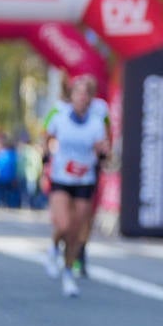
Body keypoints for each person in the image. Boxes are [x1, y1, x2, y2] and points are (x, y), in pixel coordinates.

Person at [42, 75, 112, 298]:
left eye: (85, 94)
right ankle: (53, 248)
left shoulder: (96, 122)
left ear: (90, 98)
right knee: (63, 225)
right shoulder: (60, 116)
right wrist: (46, 156)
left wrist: (104, 152)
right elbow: (46, 136)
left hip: (84, 180)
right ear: (71, 96)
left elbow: (103, 151)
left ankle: (69, 274)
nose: (81, 97)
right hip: (61, 178)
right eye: (77, 93)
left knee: (75, 231)